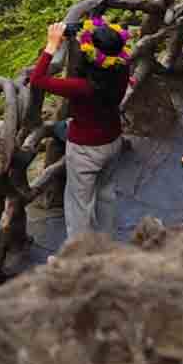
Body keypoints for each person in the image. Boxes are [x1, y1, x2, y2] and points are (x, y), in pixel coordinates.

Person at [30, 17, 132, 240]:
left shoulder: (81, 87)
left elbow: (37, 79)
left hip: (86, 149)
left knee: (79, 205)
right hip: (112, 140)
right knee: (106, 193)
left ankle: (77, 259)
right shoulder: (122, 68)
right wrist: (75, 30)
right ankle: (106, 243)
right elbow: (101, 35)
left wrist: (51, 46)